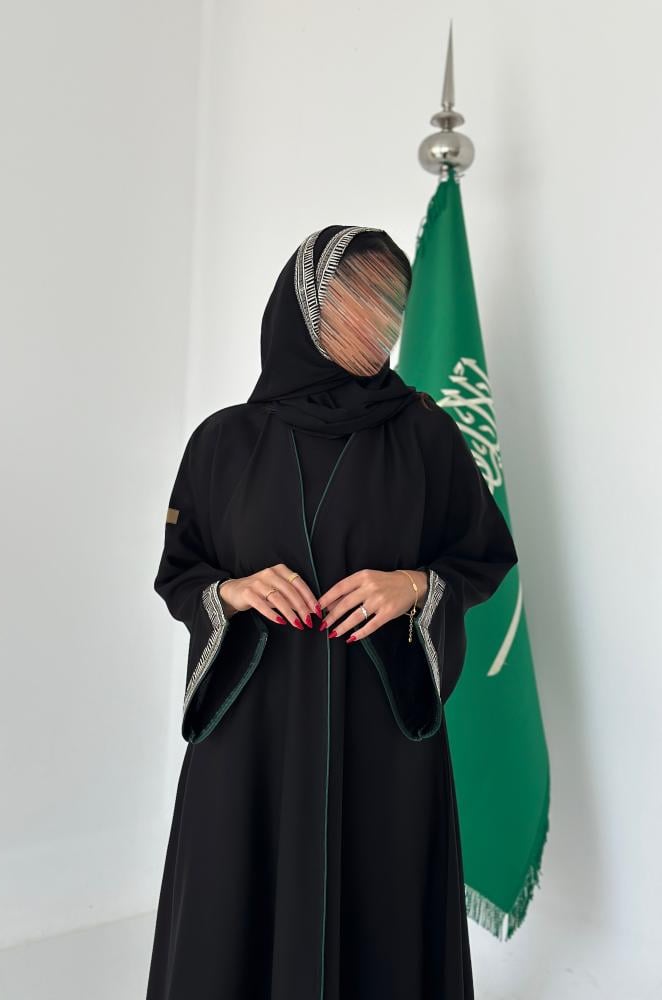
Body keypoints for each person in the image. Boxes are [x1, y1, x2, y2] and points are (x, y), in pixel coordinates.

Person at [145, 224, 519, 1000]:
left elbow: (484, 557)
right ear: (307, 307)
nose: (380, 320)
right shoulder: (223, 442)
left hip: (379, 728)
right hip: (252, 731)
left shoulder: (426, 434)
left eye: (392, 303)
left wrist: (413, 586)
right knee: (233, 913)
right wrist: (234, 592)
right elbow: (181, 572)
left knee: (381, 910)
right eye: (358, 299)